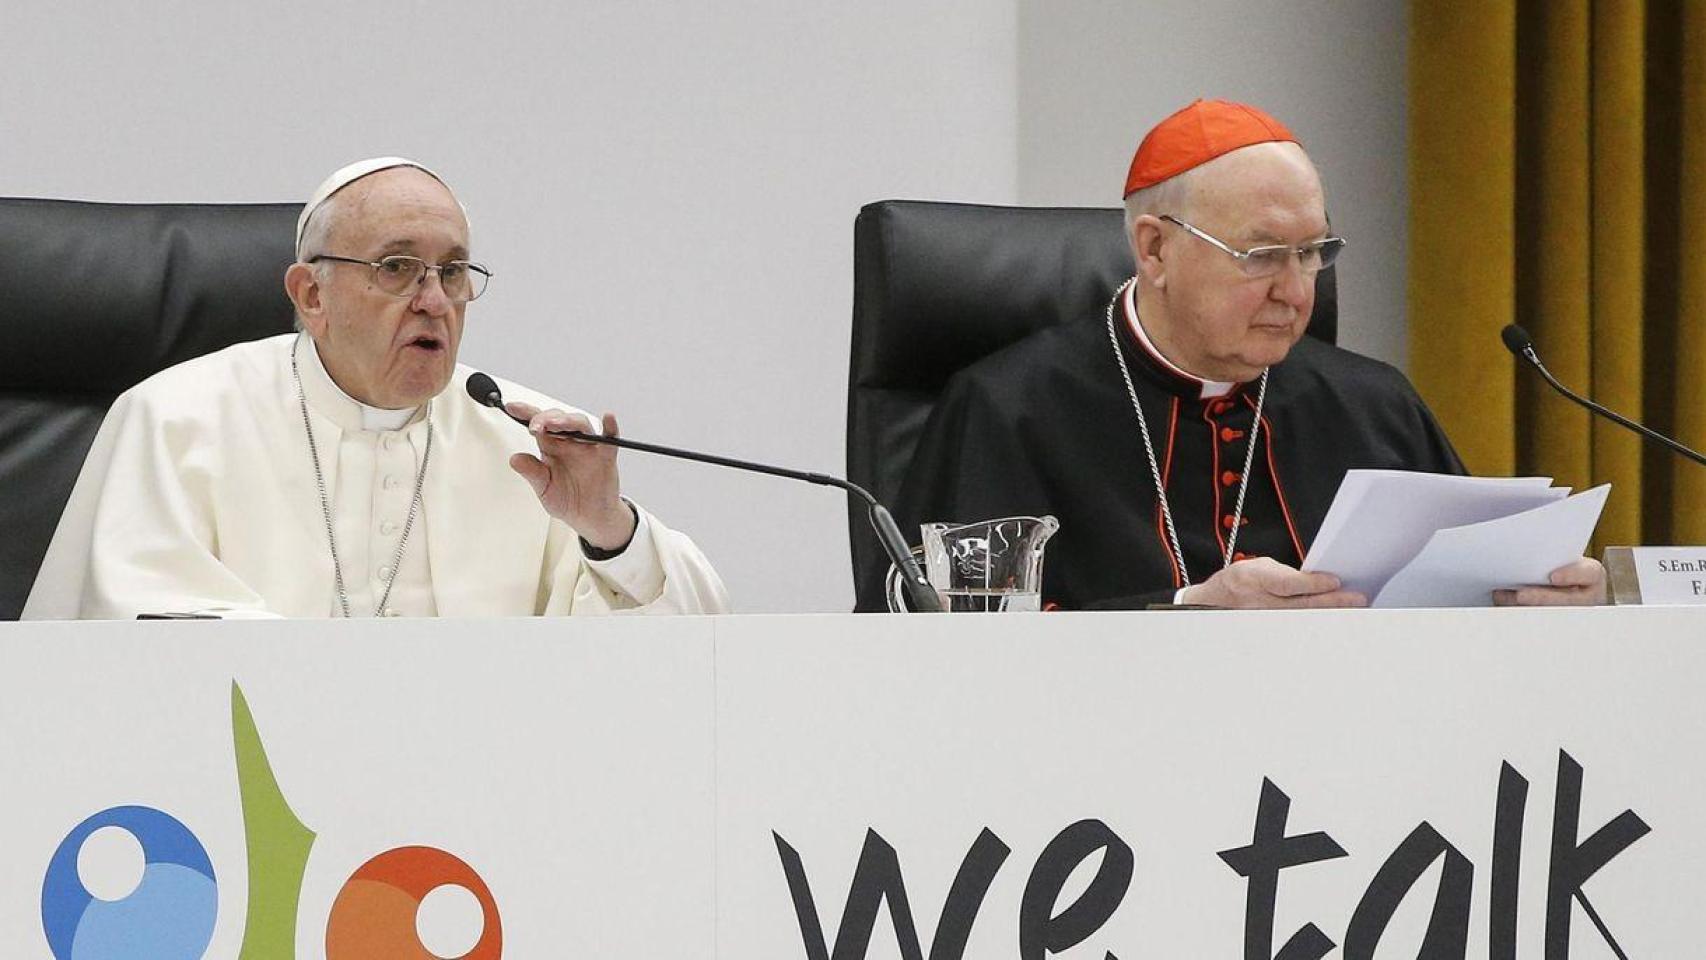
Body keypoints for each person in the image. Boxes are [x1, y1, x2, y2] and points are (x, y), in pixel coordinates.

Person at [886, 100, 1604, 611]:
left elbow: (1468, 604)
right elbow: (938, 646)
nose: (1296, 292)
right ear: (1154, 248)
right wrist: (1184, 610)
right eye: (1261, 256)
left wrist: (1546, 604)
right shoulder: (1009, 407)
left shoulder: (1374, 403)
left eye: (1312, 252)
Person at [23, 157, 729, 619]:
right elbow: (134, 636)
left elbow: (696, 641)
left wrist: (607, 528)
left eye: (454, 273)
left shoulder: (526, 441)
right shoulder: (175, 419)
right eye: (397, 268)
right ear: (311, 294)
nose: (434, 300)